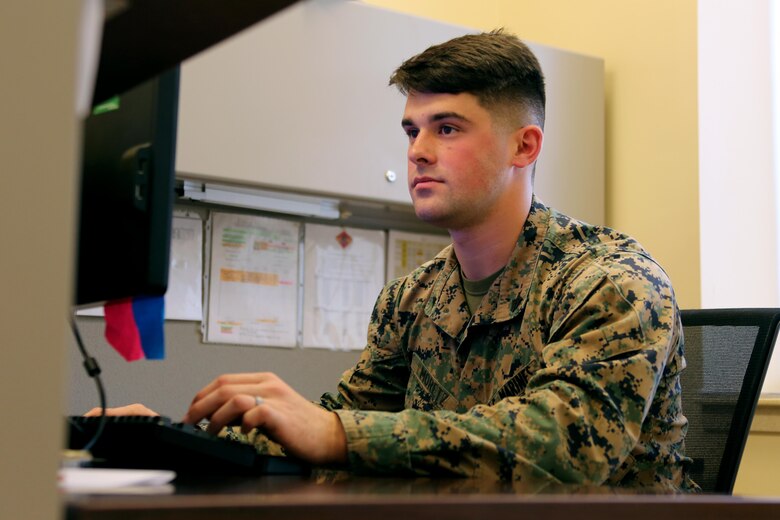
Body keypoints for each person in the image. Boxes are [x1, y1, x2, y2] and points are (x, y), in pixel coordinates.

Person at [94, 30, 696, 490]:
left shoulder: (611, 281)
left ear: (525, 145)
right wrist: (177, 440)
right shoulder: (413, 297)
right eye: (412, 131)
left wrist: (334, 433)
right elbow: (340, 422)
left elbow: (564, 449)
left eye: (448, 128)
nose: (419, 152)